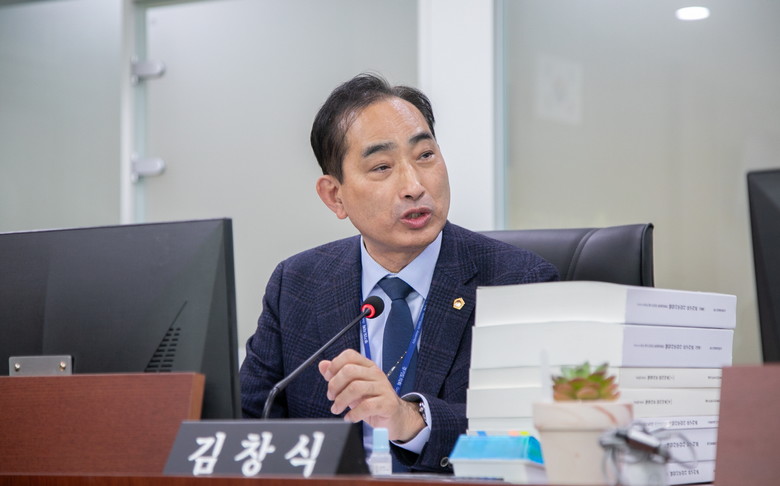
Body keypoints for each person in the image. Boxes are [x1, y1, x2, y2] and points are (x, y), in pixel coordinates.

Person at [239, 73, 559, 472]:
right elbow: (246, 427)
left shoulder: (519, 282)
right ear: (335, 196)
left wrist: (411, 420)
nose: (413, 185)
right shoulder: (297, 284)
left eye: (425, 156)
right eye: (382, 166)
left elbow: (537, 436)